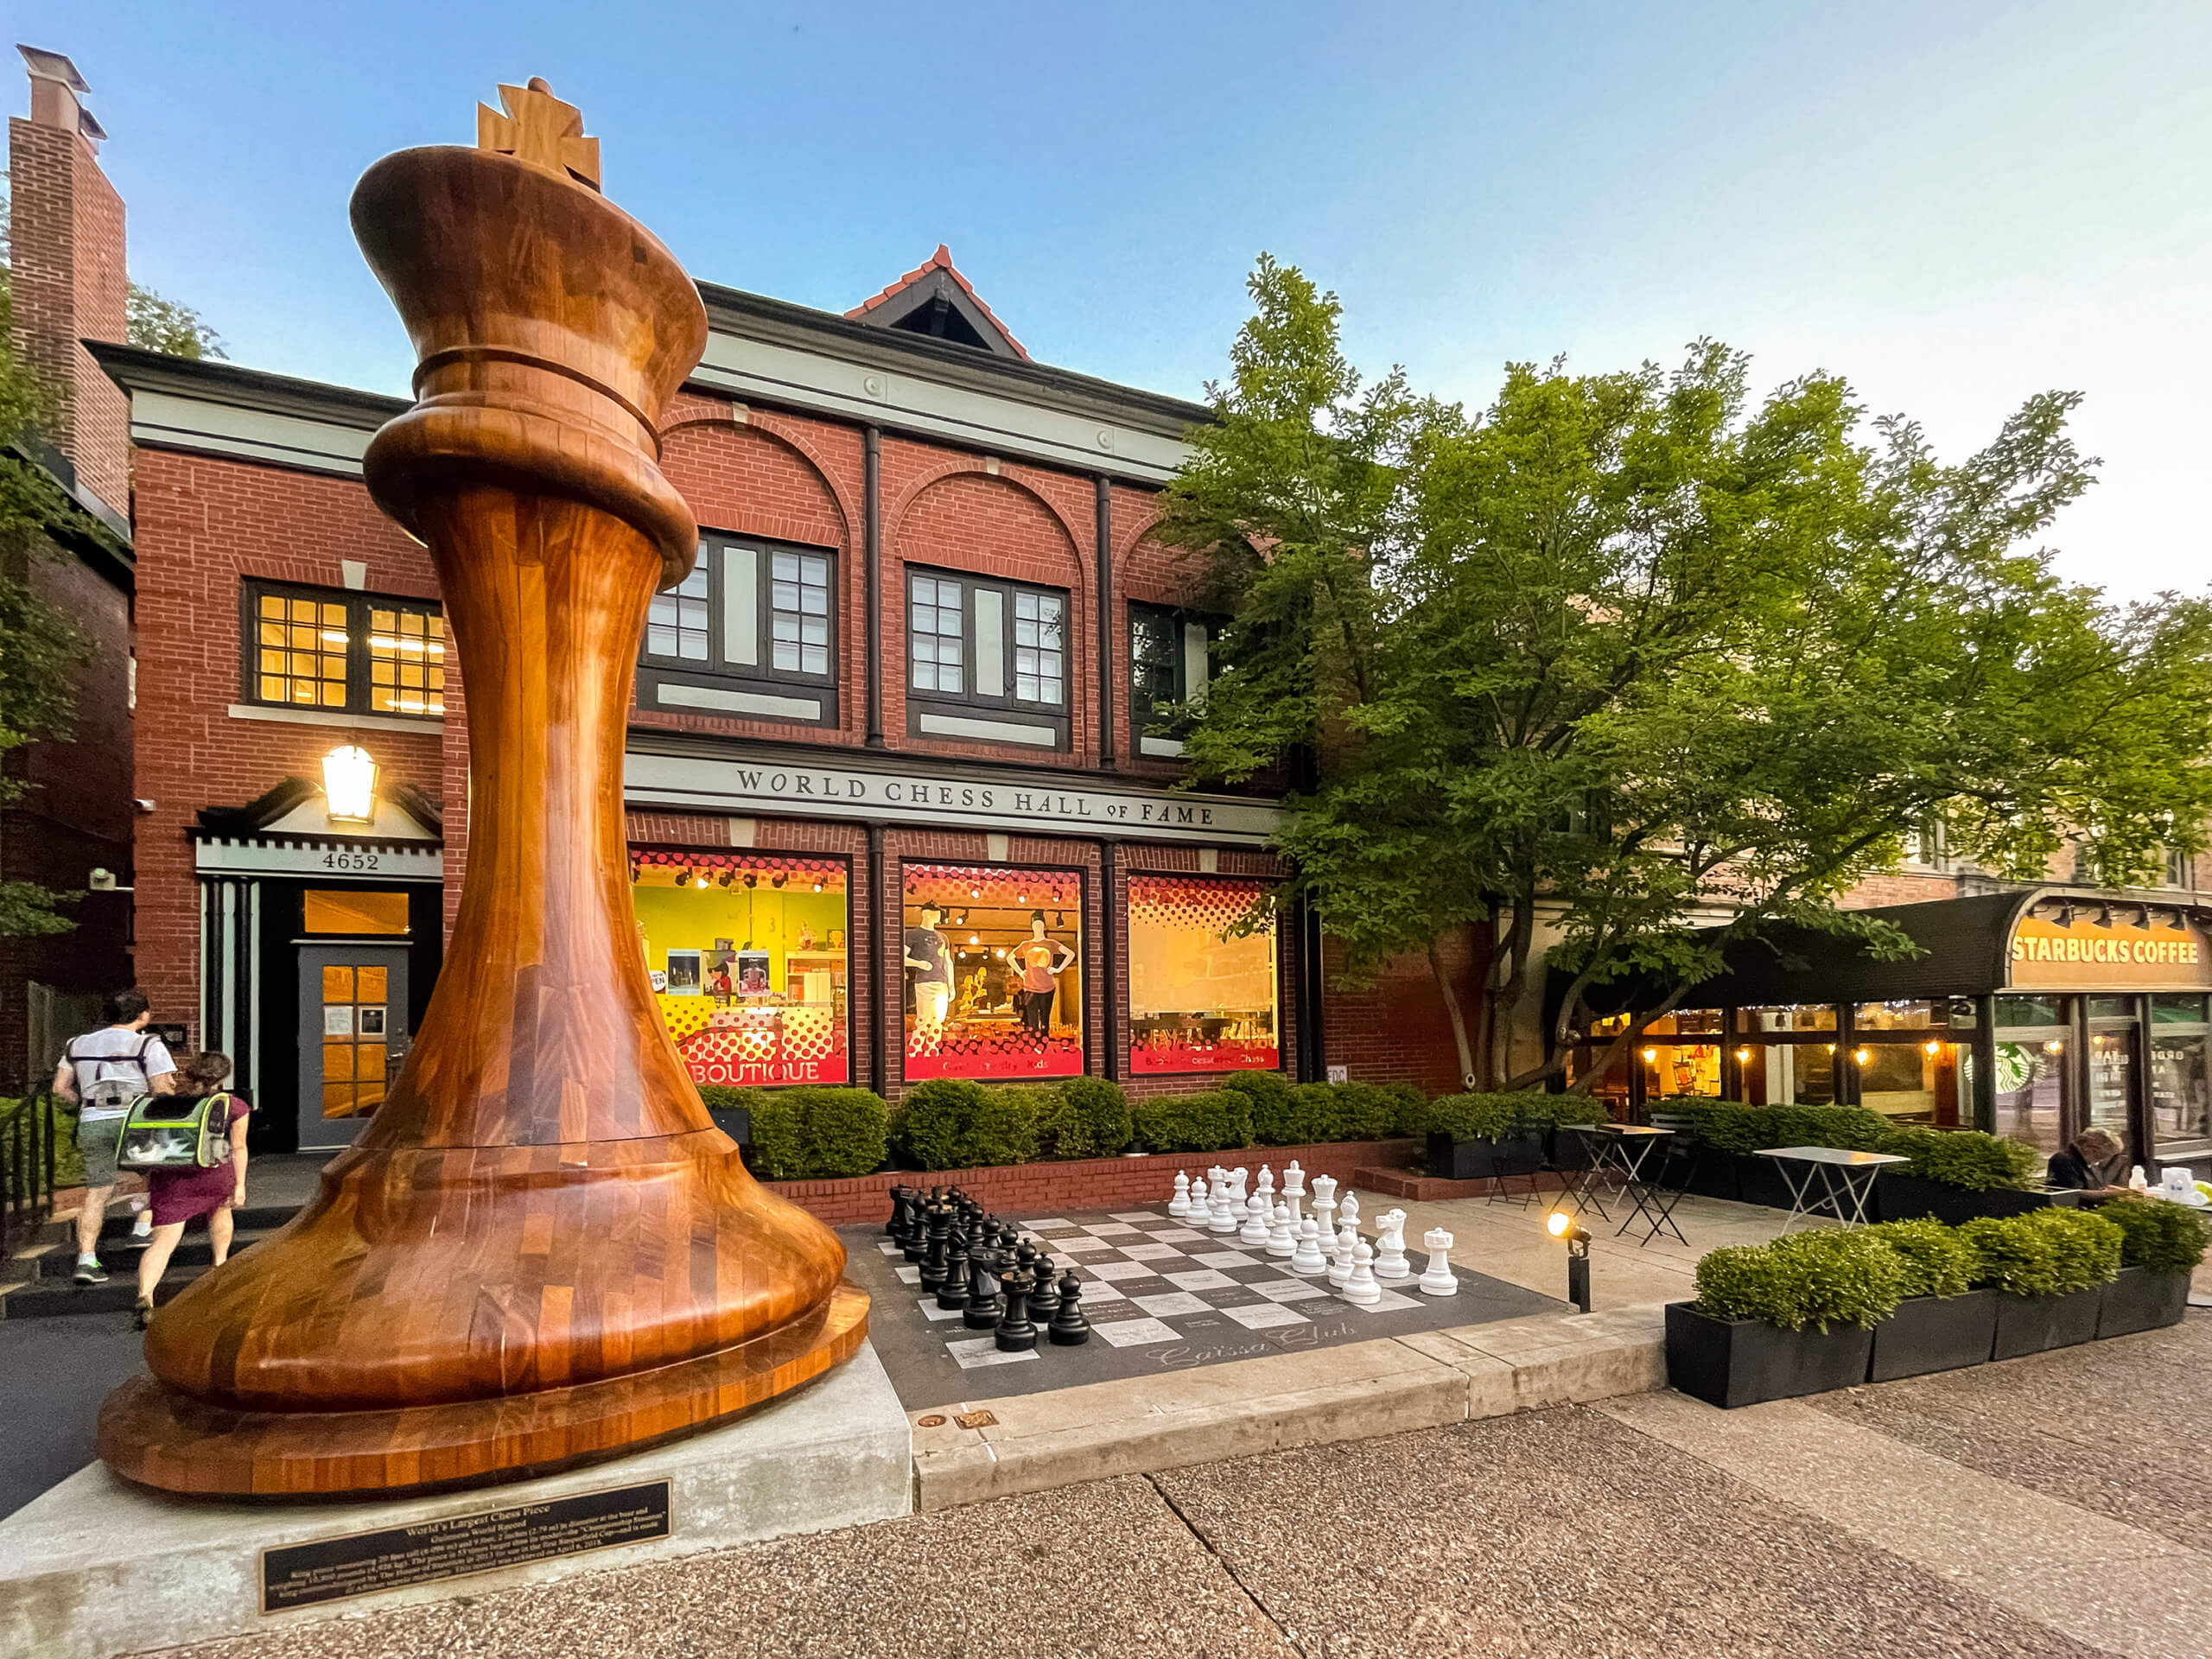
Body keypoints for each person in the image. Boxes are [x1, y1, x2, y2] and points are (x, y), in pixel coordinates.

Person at [53, 989, 177, 1286]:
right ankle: (142, 1226)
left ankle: (86, 1259)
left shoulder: (76, 1044)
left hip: (92, 1119)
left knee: (97, 1190)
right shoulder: (148, 1043)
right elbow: (162, 1089)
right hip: (134, 1118)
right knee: (157, 1173)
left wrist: (82, 1102)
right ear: (143, 1015)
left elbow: (60, 1088)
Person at [132, 1050, 249, 1330]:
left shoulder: (166, 1103)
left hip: (171, 1177)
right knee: (221, 1213)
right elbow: (238, 1147)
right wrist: (240, 1184)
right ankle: (219, 1265)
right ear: (223, 1077)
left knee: (163, 1242)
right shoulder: (233, 1106)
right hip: (213, 1171)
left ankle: (145, 1295)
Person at [903, 901, 954, 1052]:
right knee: (923, 1019)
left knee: (938, 1020)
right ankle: (916, 1051)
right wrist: (919, 964)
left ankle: (933, 1050)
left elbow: (948, 962)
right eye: (935, 912)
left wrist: (951, 985)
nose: (938, 916)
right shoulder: (912, 935)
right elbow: (900, 957)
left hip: (942, 983)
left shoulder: (943, 937)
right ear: (926, 913)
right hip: (925, 981)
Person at [2048, 1127, 2133, 1199]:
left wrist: (2113, 1191)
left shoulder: (2088, 1163)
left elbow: (2096, 1187)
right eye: (2101, 1154)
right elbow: (2072, 1194)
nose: (2102, 1159)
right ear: (2087, 1147)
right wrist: (2111, 1194)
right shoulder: (2064, 1160)